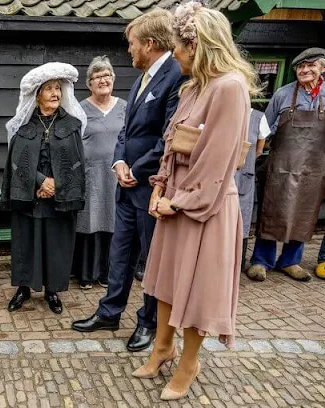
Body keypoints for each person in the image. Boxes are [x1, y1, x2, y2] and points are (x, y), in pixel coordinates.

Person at [132, 2, 257, 400]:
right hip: (175, 198)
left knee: (195, 290)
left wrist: (180, 200)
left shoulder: (230, 87)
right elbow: (171, 145)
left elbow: (218, 159)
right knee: (167, 283)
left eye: (180, 48)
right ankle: (162, 349)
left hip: (207, 206)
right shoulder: (192, 87)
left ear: (197, 44)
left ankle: (189, 363)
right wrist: (159, 187)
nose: (176, 56)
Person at [71, 9, 184, 353]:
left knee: (151, 259)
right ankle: (110, 312)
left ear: (149, 43)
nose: (129, 50)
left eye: (132, 44)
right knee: (120, 255)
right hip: (127, 185)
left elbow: (169, 136)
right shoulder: (140, 80)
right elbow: (126, 130)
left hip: (152, 188)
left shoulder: (175, 76)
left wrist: (137, 171)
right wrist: (120, 162)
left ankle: (148, 322)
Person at [1, 62, 87, 315]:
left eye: (58, 88)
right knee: (26, 242)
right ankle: (24, 287)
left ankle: (52, 289)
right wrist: (40, 182)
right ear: (37, 94)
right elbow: (16, 162)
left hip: (59, 199)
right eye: (49, 88)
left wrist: (56, 185)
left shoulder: (71, 125)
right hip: (30, 198)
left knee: (55, 244)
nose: (55, 93)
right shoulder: (24, 126)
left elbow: (77, 163)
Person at [247, 47, 325, 282]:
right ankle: (261, 260)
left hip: (314, 170)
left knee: (304, 213)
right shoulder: (283, 94)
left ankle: (291, 261)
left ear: (322, 68)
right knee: (272, 210)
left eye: (310, 65)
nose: (304, 70)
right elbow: (265, 129)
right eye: (300, 66)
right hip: (281, 166)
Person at [72, 56, 127, 290]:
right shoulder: (80, 109)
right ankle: (86, 274)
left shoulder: (125, 107)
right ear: (89, 83)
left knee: (113, 222)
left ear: (113, 79)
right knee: (89, 222)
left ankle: (106, 274)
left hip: (117, 176)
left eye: (107, 76)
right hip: (90, 176)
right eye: (97, 77)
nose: (103, 80)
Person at [236, 109, 270, 272]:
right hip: (218, 177)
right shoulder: (217, 109)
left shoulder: (258, 117)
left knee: (241, 220)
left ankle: (237, 264)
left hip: (243, 177)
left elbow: (258, 150)